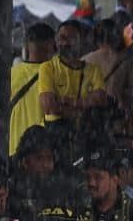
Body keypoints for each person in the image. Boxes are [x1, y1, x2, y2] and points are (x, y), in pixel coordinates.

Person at [39, 19, 109, 158]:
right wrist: (82, 108)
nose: (65, 43)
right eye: (61, 38)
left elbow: (100, 100)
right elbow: (49, 106)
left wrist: (68, 102)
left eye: (71, 38)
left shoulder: (93, 70)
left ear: (81, 41)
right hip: (56, 141)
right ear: (56, 41)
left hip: (85, 140)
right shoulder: (48, 68)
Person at [10, 23, 55, 157]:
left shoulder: (10, 74)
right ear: (51, 45)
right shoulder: (56, 76)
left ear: (27, 46)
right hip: (41, 156)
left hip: (13, 153)